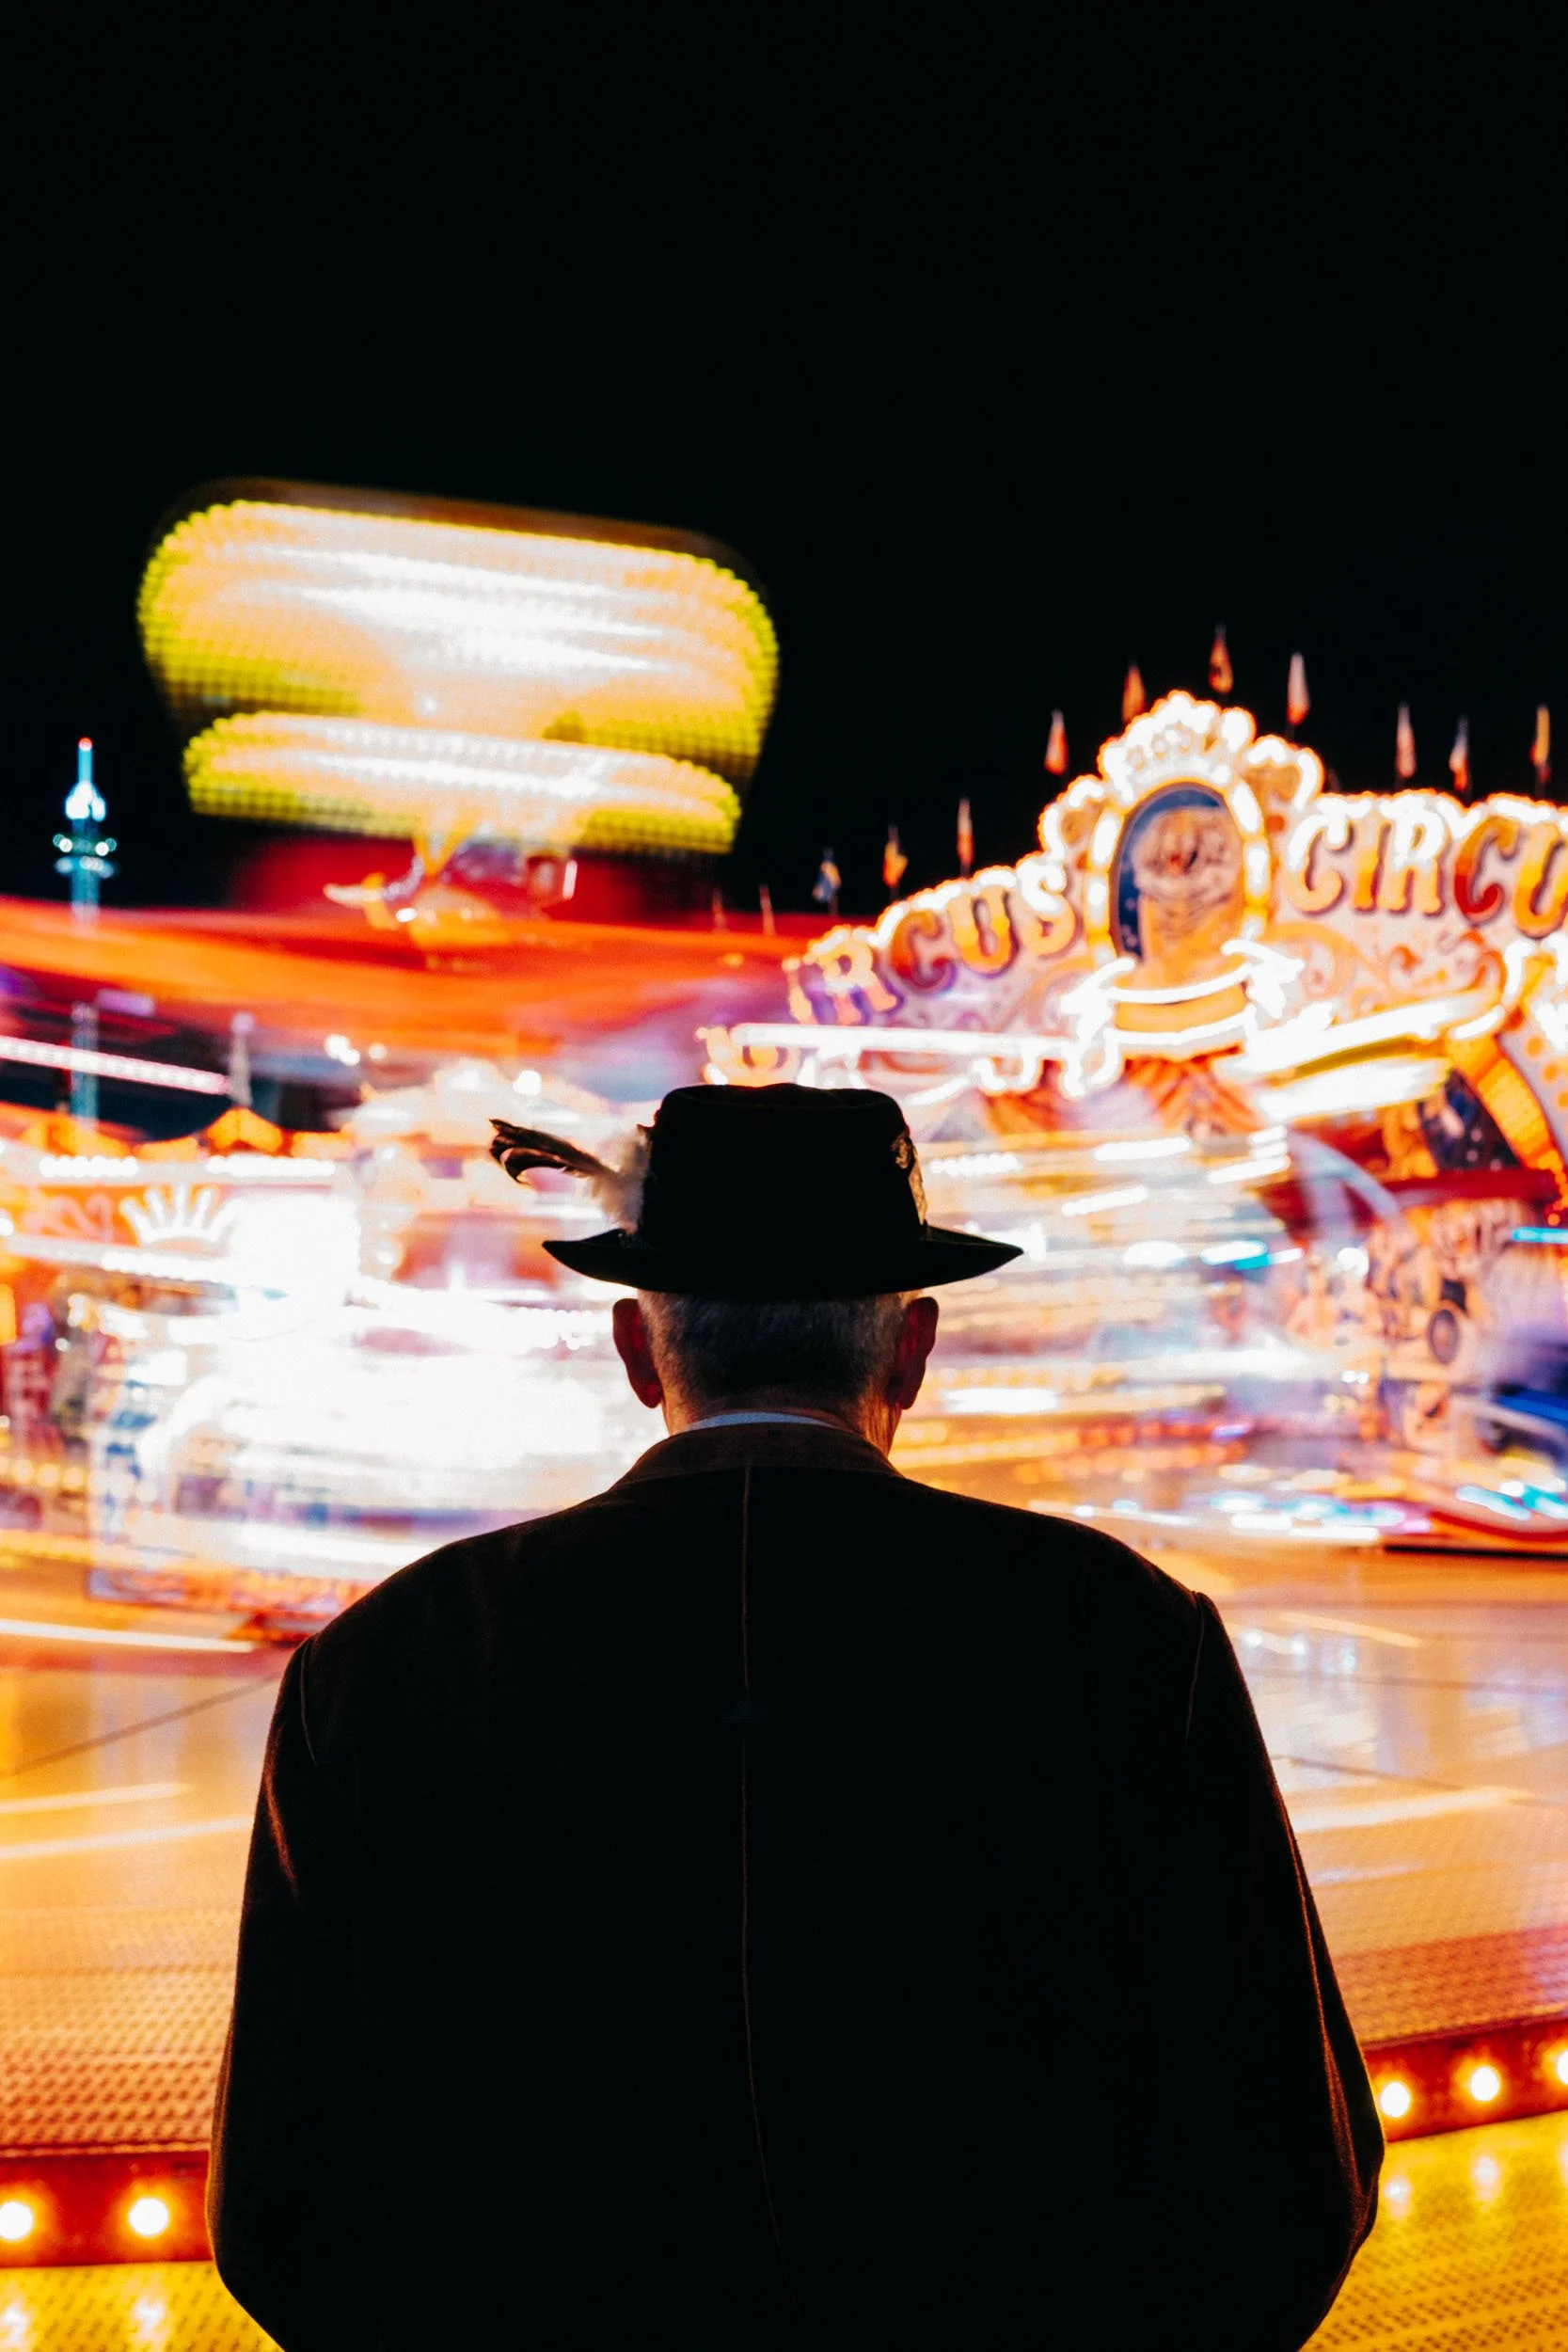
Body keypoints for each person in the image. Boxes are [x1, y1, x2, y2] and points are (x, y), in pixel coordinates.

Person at [210, 1084, 1380, 2349]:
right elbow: (1284, 2170)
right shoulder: (1128, 1633)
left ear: (634, 1349)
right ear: (913, 1349)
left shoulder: (380, 1665)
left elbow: (283, 2205)